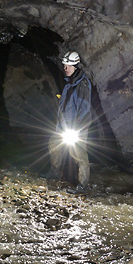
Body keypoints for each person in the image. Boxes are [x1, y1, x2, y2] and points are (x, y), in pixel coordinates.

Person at [47, 50, 92, 194]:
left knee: (79, 154)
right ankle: (55, 172)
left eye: (68, 66)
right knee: (54, 144)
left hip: (76, 127)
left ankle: (83, 186)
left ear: (76, 66)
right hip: (63, 126)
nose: (65, 68)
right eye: (64, 65)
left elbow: (84, 109)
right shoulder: (69, 84)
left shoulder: (83, 84)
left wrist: (76, 129)